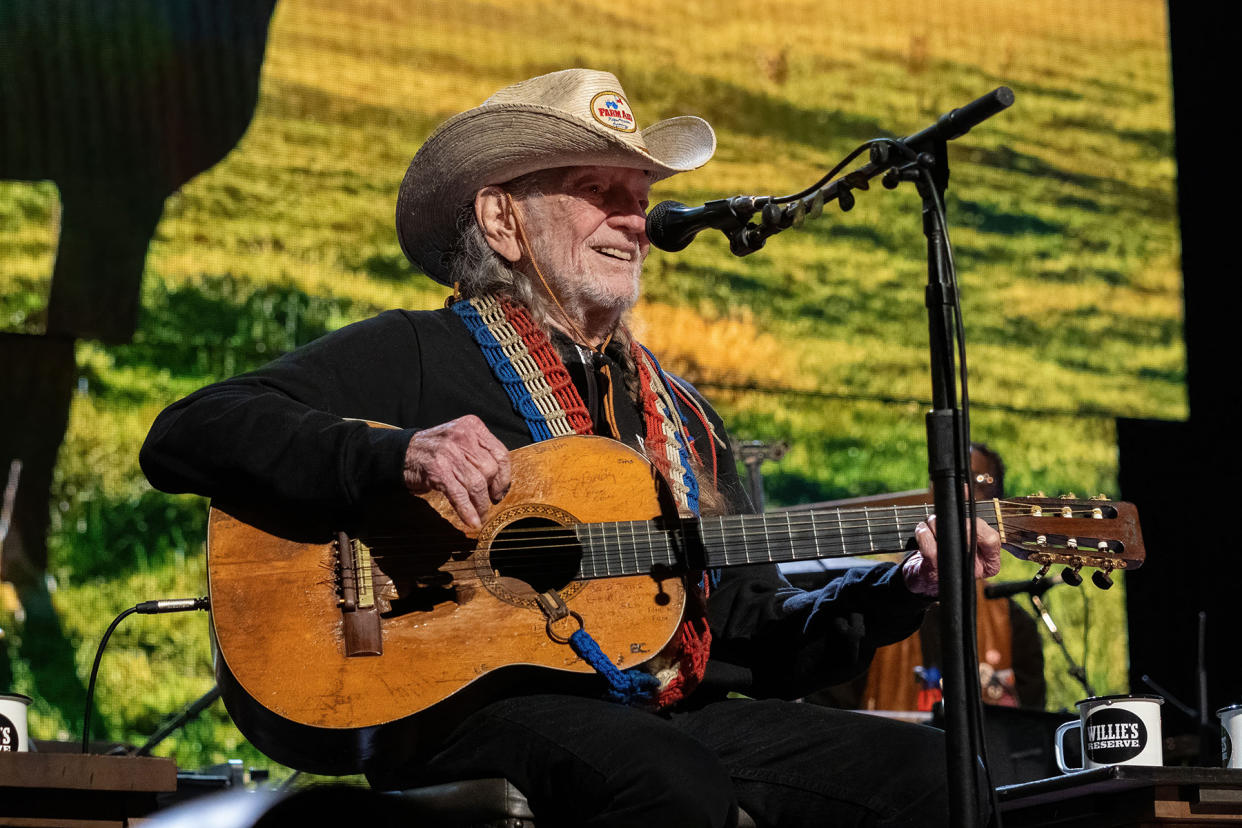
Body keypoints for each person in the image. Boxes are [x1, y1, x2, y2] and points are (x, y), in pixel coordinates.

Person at [140, 68, 1001, 827]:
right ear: (502, 218)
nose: (637, 219)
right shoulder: (417, 354)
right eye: (601, 189)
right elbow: (187, 432)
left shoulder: (686, 419)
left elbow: (750, 630)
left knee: (935, 778)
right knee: (669, 785)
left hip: (662, 707)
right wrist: (395, 456)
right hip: (461, 702)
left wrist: (900, 587)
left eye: (641, 194)